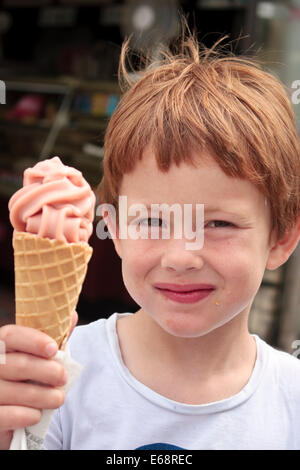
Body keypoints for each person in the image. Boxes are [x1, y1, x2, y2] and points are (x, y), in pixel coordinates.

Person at [1, 31, 300, 450]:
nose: (181, 256)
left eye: (218, 224)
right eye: (154, 221)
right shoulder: (55, 378)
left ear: (281, 237)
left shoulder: (292, 402)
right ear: (115, 229)